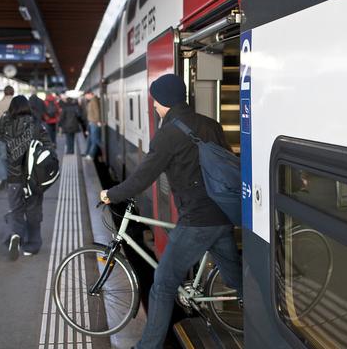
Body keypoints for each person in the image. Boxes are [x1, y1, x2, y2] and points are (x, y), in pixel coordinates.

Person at [100, 74, 242, 349]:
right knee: (237, 279)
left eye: (155, 100)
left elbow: (143, 177)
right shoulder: (210, 124)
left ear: (164, 101)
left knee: (163, 285)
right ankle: (266, 312)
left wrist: (111, 194)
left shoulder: (167, 134)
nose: (153, 106)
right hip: (222, 213)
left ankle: (147, 347)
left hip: (197, 220)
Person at [0, 95, 52, 260]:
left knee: (16, 210)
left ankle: (16, 235)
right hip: (34, 177)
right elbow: (48, 147)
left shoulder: (6, 124)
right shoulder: (35, 124)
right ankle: (32, 246)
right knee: (33, 211)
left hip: (14, 178)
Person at [83, 91, 101, 160]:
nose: (86, 97)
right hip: (91, 123)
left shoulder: (94, 101)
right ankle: (87, 152)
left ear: (90, 94)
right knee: (90, 139)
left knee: (94, 139)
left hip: (94, 123)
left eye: (86, 95)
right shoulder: (92, 101)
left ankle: (91, 155)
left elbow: (97, 111)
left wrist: (98, 121)